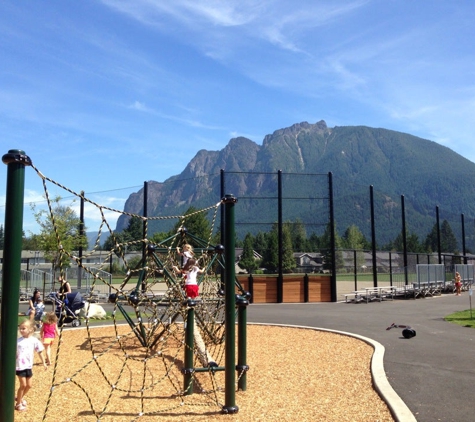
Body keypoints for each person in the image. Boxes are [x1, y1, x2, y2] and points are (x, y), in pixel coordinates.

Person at [16, 319, 48, 411]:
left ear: (30, 329)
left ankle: (20, 397)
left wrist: (44, 363)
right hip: (19, 366)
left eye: (23, 328)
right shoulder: (18, 341)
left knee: (29, 385)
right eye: (20, 328)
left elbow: (40, 352)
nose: (21, 330)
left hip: (28, 366)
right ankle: (18, 404)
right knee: (23, 385)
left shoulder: (34, 340)